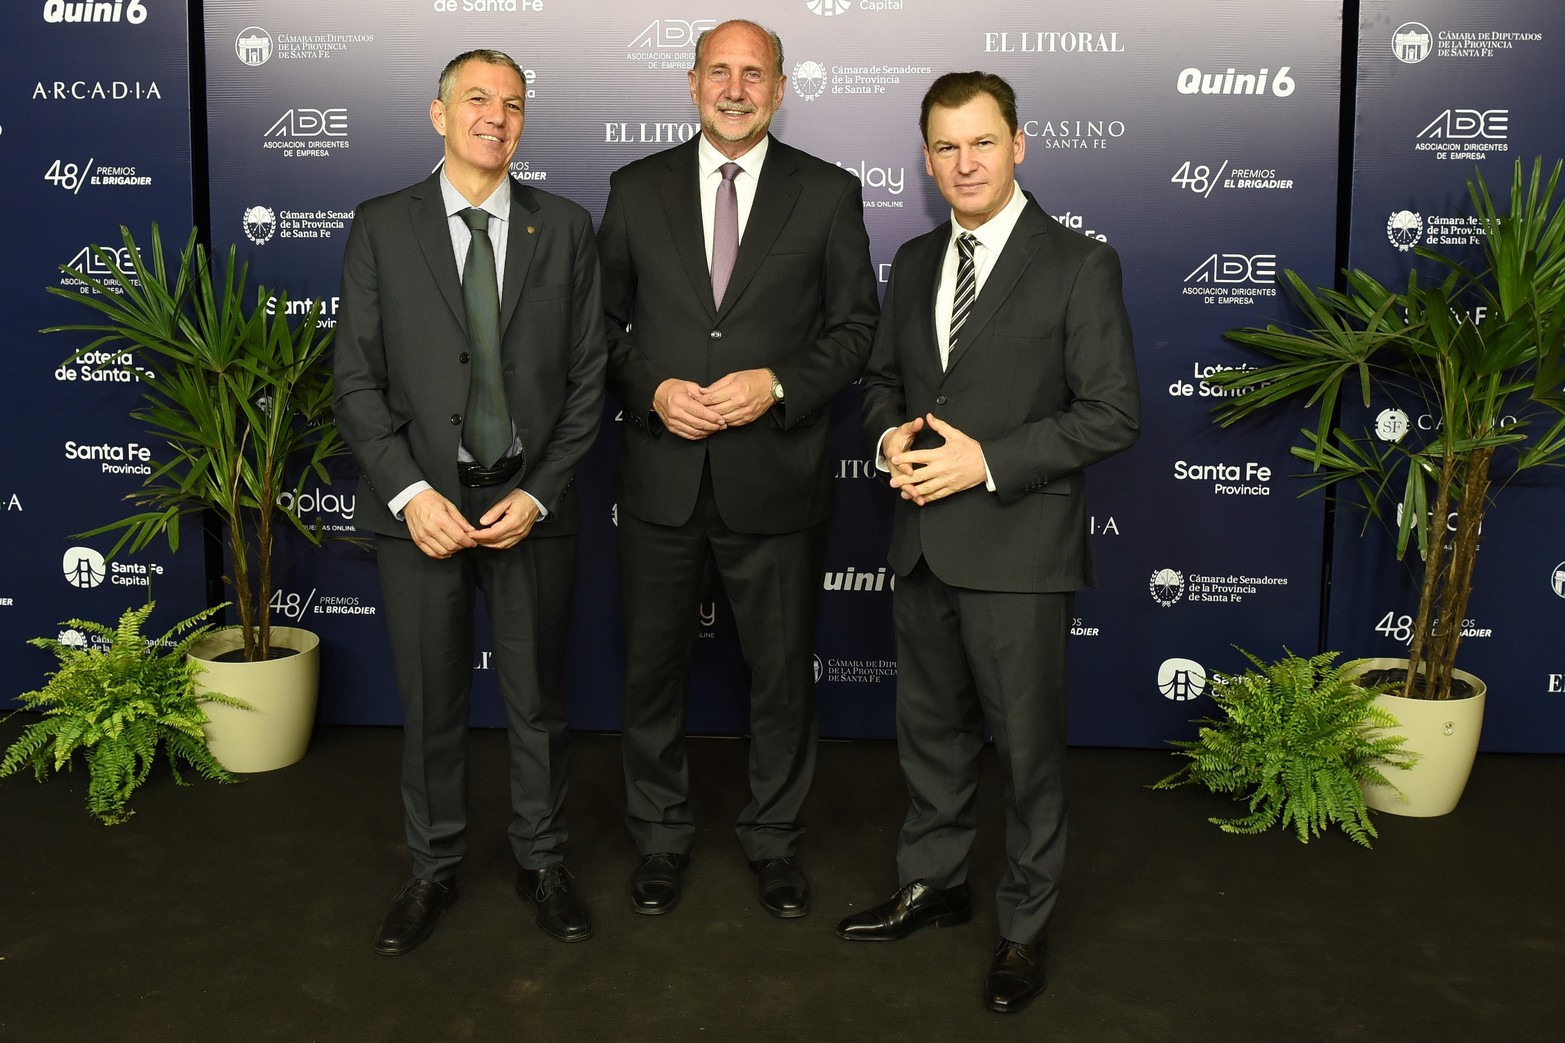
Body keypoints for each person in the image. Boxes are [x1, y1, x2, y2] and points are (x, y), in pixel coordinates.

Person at [840, 71, 1140, 1013]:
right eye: (943, 147)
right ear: (925, 158)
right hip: (921, 542)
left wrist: (988, 463)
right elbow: (883, 380)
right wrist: (887, 432)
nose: (962, 163)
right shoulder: (917, 258)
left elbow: (1112, 413)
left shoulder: (1078, 263)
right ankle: (933, 881)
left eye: (979, 142)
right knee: (929, 734)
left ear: (1018, 145)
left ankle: (1022, 923)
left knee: (1026, 750)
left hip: (1017, 548)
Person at [597, 19, 879, 920]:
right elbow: (598, 328)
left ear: (781, 88)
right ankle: (660, 835)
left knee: (782, 673)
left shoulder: (828, 195)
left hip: (777, 479)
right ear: (690, 84)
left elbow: (855, 329)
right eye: (718, 71)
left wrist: (780, 383)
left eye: (753, 74)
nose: (735, 87)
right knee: (650, 672)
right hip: (660, 479)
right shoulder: (634, 189)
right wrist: (649, 391)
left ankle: (774, 839)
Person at [334, 49, 607, 955]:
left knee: (535, 703)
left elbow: (587, 380)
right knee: (433, 704)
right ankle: (432, 868)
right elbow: (357, 383)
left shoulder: (563, 228)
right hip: (423, 515)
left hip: (528, 508)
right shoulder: (381, 225)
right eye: (477, 99)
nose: (496, 115)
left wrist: (538, 491)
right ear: (438, 114)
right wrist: (410, 493)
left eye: (513, 103)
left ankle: (542, 860)